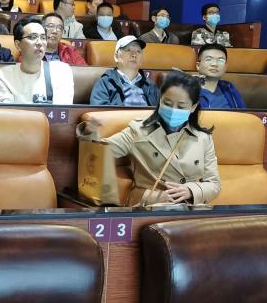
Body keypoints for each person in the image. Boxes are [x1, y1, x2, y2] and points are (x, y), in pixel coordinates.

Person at [78, 70, 220, 206]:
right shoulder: (138, 131)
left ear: (193, 107)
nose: (173, 110)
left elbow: (214, 184)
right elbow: (99, 152)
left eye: (181, 107)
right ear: (160, 100)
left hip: (191, 207)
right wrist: (90, 132)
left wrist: (191, 190)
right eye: (167, 104)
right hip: (152, 204)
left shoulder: (203, 138)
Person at [0, 17, 74, 104]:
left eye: (43, 37)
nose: (39, 43)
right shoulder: (3, 77)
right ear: (18, 45)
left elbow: (61, 110)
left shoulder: (62, 71)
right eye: (32, 37)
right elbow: (7, 112)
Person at [89, 36, 159, 107]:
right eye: (128, 50)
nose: (134, 55)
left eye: (138, 51)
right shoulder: (105, 83)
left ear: (141, 60)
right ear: (116, 56)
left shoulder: (150, 85)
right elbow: (100, 112)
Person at [196, 44, 245, 109]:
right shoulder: (187, 89)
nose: (214, 64)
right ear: (198, 65)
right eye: (209, 59)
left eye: (220, 60)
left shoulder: (229, 88)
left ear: (225, 67)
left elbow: (243, 112)